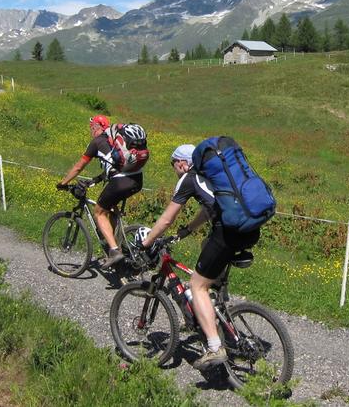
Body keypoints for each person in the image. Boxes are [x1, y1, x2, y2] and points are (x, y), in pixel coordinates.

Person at [140, 143, 260, 370]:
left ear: (183, 163)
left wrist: (147, 242)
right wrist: (188, 230)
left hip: (227, 233)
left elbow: (166, 220)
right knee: (207, 249)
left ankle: (215, 347)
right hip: (249, 230)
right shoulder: (214, 176)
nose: (174, 169)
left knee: (197, 285)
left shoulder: (189, 178)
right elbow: (209, 209)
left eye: (173, 164)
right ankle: (216, 302)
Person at [58, 114, 143, 267]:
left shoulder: (96, 142)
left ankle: (115, 251)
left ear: (96, 127)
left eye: (91, 128)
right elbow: (113, 165)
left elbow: (78, 167)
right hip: (137, 179)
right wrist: (95, 180)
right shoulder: (114, 141)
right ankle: (119, 244)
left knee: (99, 212)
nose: (91, 131)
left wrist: (63, 183)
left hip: (120, 181)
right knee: (109, 208)